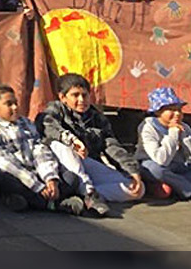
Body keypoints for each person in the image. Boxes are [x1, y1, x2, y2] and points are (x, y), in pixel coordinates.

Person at [35, 74, 143, 211]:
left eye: (84, 95)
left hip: (88, 164)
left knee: (137, 189)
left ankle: (85, 196)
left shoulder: (97, 117)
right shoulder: (55, 110)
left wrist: (132, 170)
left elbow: (111, 145)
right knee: (59, 145)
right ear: (63, 97)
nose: (81, 100)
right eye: (75, 95)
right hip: (65, 167)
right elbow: (47, 126)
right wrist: (72, 140)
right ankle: (89, 193)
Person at [0, 86, 86, 215]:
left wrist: (50, 179)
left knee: (71, 178)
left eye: (16, 103)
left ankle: (24, 200)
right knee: (2, 180)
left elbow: (40, 150)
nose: (15, 108)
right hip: (9, 173)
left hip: (33, 171)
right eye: (9, 104)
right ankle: (53, 204)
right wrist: (37, 186)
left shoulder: (26, 123)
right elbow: (6, 163)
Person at [135, 87, 191, 201]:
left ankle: (175, 186)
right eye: (171, 110)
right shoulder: (148, 127)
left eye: (179, 110)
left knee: (167, 189)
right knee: (154, 169)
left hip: (179, 166)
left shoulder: (184, 127)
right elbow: (161, 160)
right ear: (158, 112)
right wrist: (173, 134)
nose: (177, 114)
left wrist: (185, 138)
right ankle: (187, 189)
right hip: (157, 166)